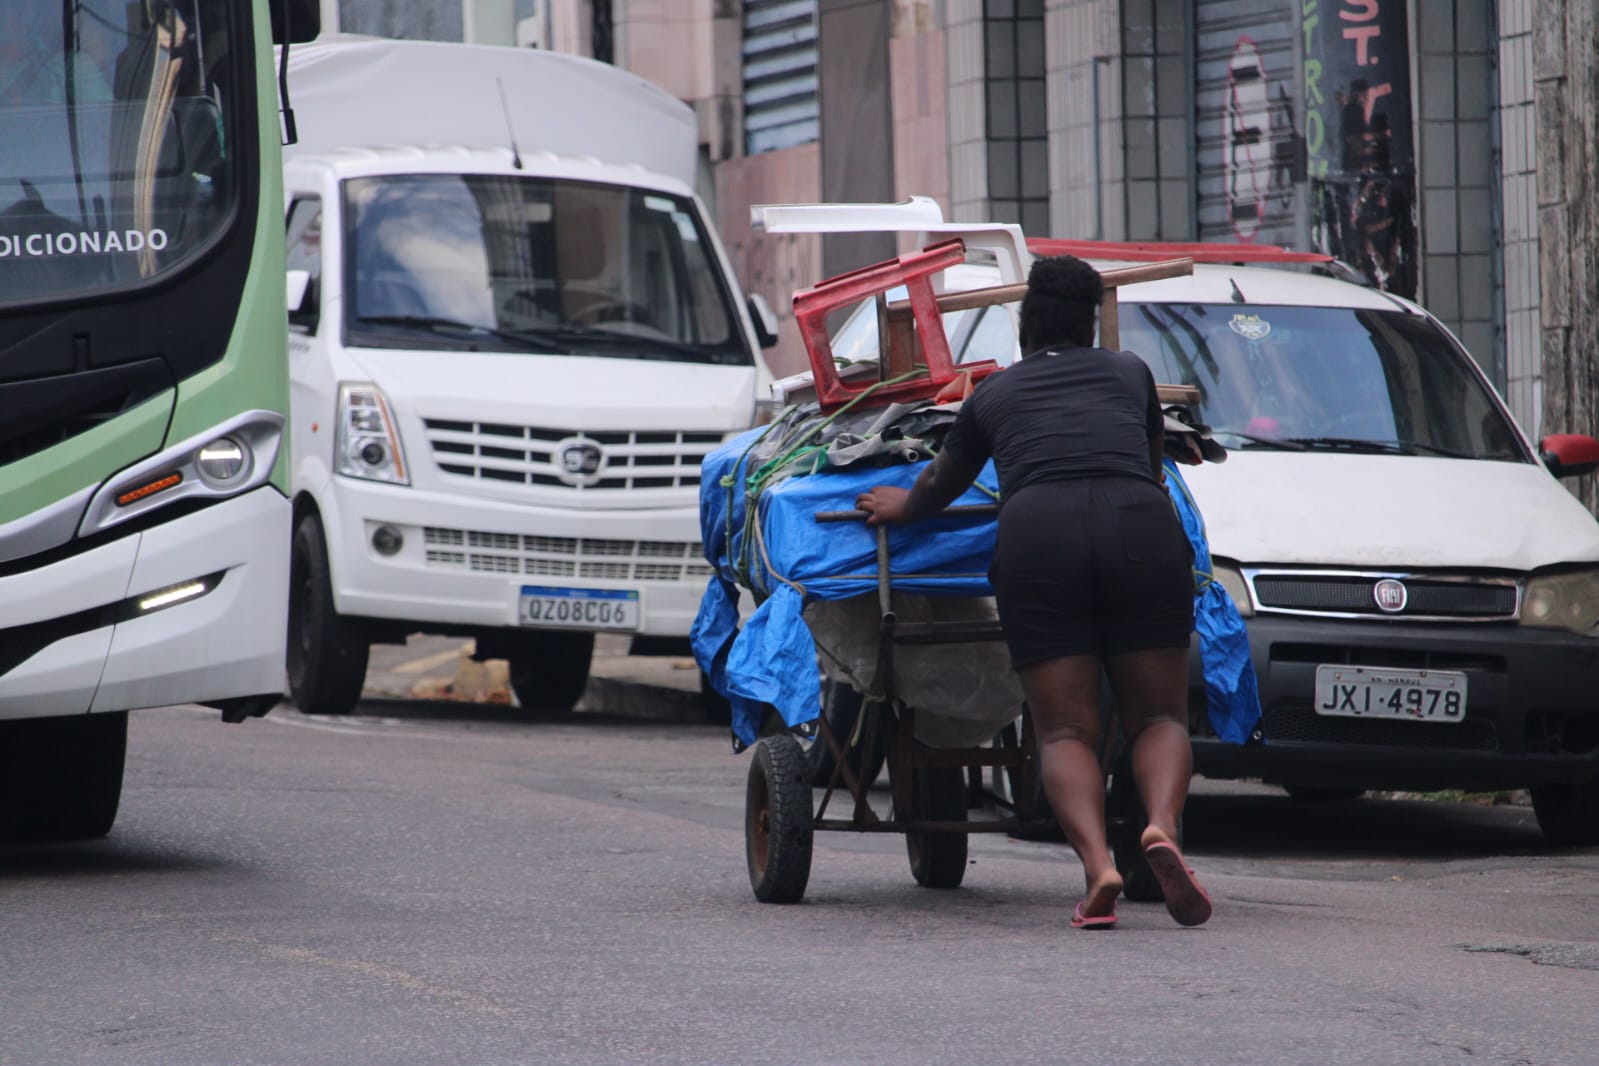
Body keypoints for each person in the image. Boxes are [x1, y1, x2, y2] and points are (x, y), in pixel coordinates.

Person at [854, 255, 1212, 929]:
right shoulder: (1130, 373)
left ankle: (1098, 868)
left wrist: (900, 507)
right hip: (1139, 528)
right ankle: (1160, 827)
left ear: (1024, 328)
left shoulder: (993, 394)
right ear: (1090, 326)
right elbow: (1150, 464)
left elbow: (939, 485)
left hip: (1041, 538)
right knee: (1160, 717)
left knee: (1064, 729)